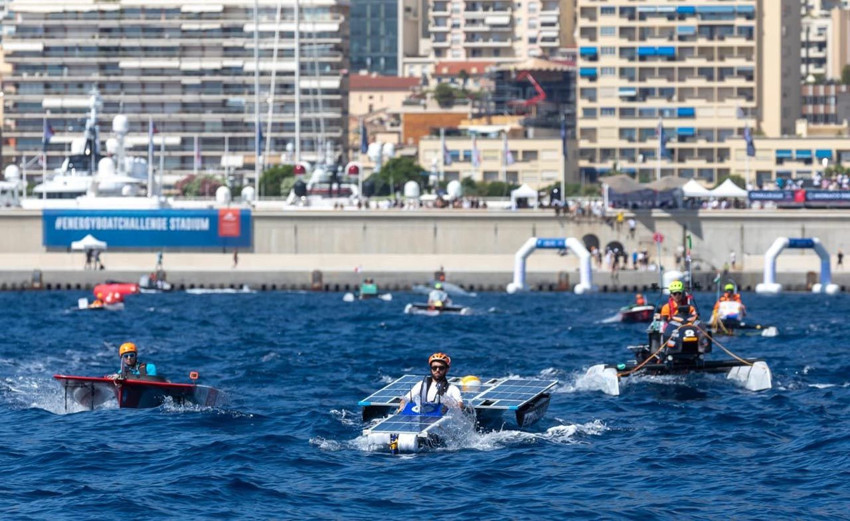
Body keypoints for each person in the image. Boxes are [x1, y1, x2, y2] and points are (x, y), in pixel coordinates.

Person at [397, 353, 463, 413]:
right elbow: (406, 398)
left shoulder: (452, 389)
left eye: (441, 368)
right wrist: (402, 405)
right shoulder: (422, 385)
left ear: (447, 370)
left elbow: (459, 404)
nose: (437, 370)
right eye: (434, 368)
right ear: (431, 369)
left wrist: (450, 406)